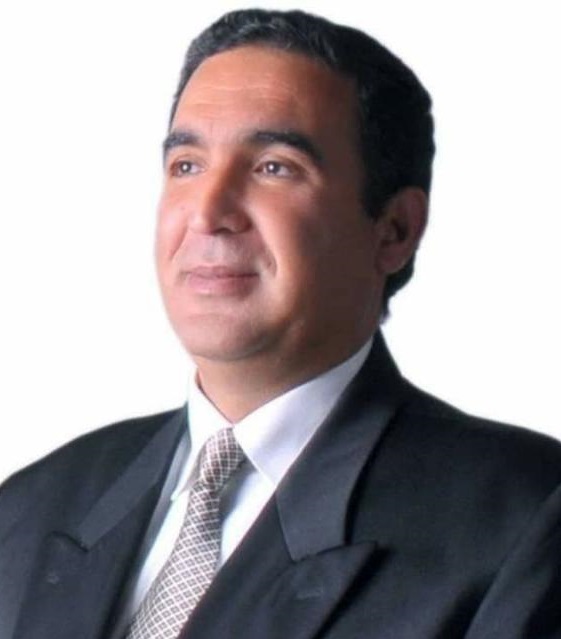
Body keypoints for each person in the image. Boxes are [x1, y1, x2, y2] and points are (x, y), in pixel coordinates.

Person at [1, 8, 561, 639]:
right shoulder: (29, 508)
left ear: (394, 230)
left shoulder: (525, 519)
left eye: (274, 167)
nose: (208, 212)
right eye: (187, 166)